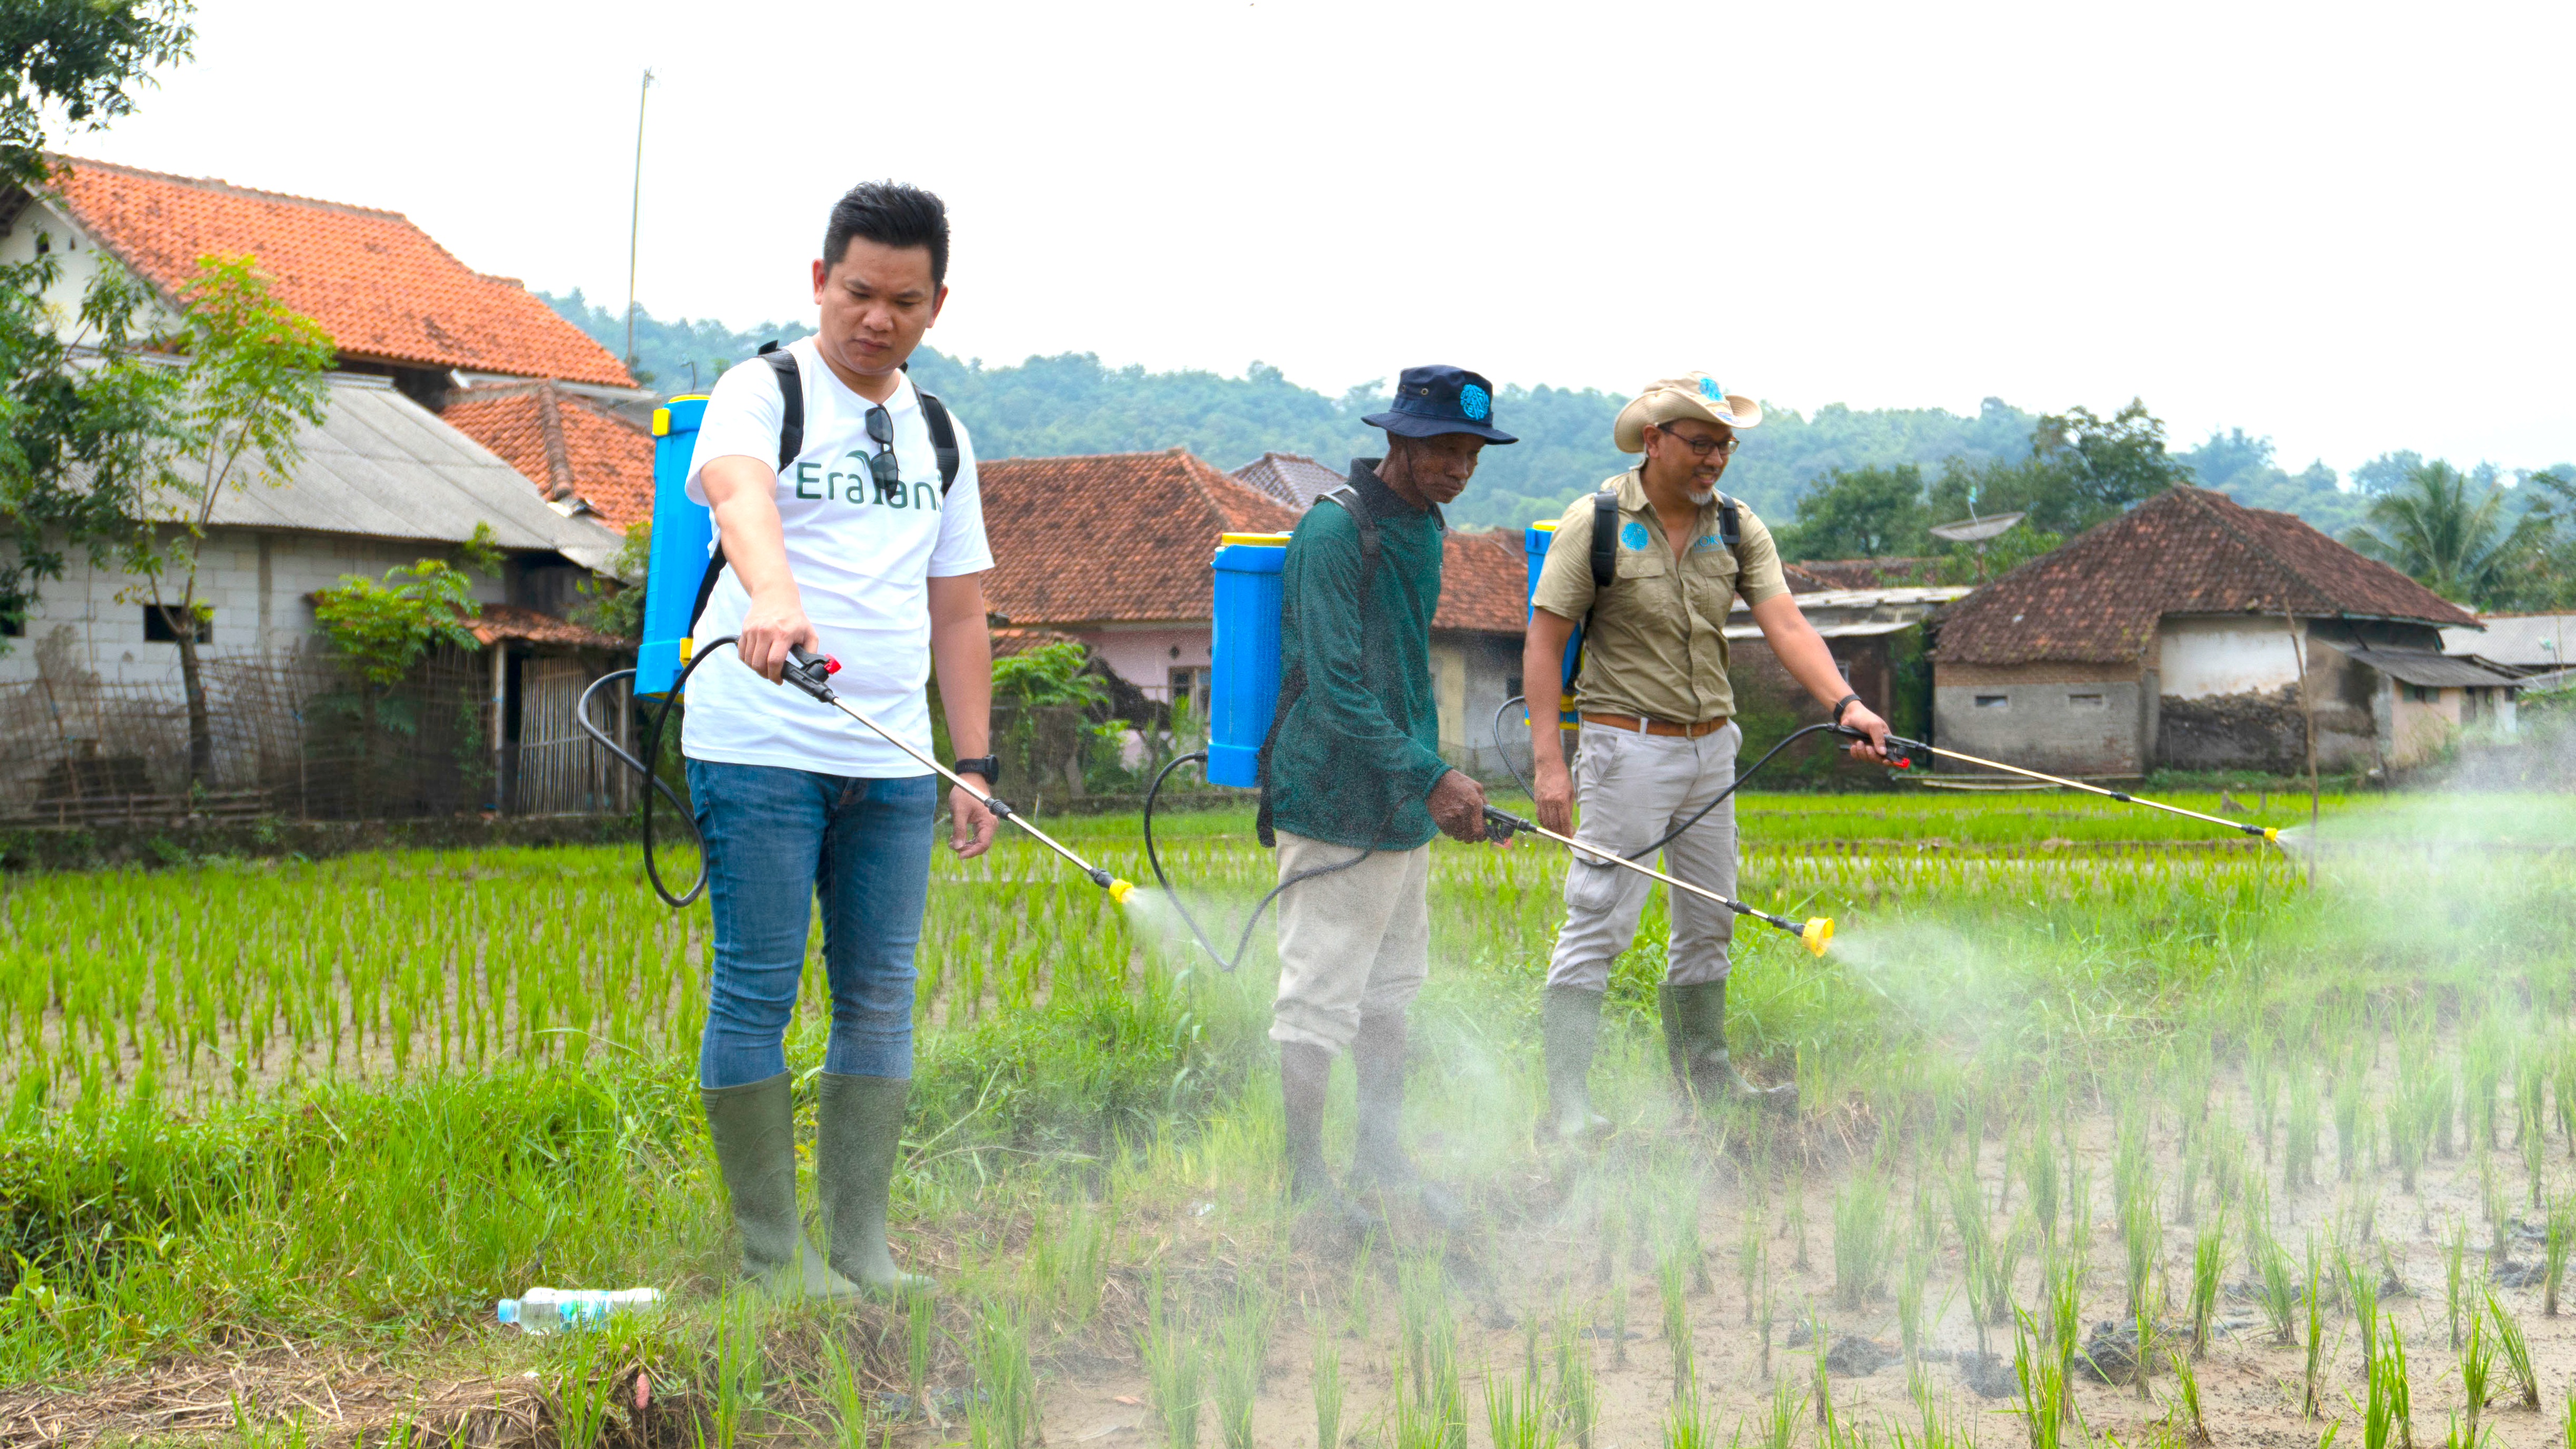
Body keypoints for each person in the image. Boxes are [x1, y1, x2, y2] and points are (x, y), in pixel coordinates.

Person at [682, 181, 999, 1298]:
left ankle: (861, 1245)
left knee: (879, 997)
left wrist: (972, 763)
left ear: (937, 304)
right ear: (820, 281)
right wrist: (773, 596)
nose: (878, 318)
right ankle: (776, 1258)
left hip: (893, 760)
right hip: (759, 744)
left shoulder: (942, 433)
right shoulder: (761, 390)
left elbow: (958, 611)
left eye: (904, 301)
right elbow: (739, 499)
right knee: (757, 990)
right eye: (859, 292)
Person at [1522, 373, 1889, 1137]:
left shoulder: (1737, 526)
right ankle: (1565, 1103)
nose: (1715, 459)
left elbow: (1786, 624)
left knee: (1709, 919)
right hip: (1626, 750)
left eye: (1725, 446)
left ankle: (1707, 1083)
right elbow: (1545, 641)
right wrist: (1550, 762)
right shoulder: (1595, 523)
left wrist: (1847, 704)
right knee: (1600, 918)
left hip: (1711, 750)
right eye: (1700, 443)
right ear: (1653, 440)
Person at [1262, 364, 1515, 1222]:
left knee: (1390, 992)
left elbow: (1402, 672)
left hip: (1400, 803)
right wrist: (1433, 774)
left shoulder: (1425, 526)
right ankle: (1305, 1183)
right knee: (1318, 997)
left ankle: (1380, 1156)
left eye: (1473, 453)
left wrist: (1429, 783)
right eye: (1445, 448)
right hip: (1332, 799)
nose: (1460, 467)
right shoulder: (1335, 531)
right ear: (1399, 439)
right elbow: (1335, 688)